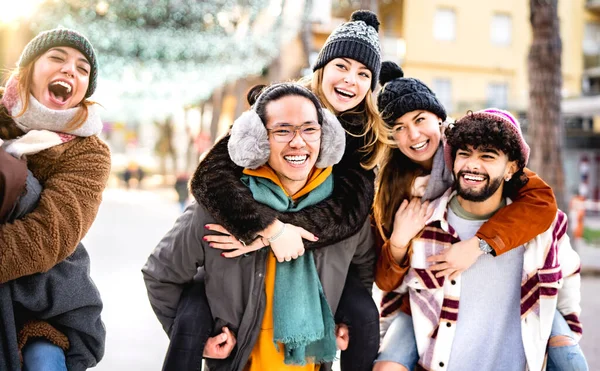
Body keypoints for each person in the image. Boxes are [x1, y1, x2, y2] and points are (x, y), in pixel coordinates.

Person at [163, 10, 385, 371]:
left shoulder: (362, 140)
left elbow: (347, 214)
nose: (350, 80)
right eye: (342, 66)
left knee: (362, 313)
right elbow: (210, 177)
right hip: (244, 275)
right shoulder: (276, 106)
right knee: (195, 310)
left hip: (312, 268)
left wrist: (268, 234)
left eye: (363, 74)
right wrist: (264, 226)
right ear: (322, 68)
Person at [372, 62, 587, 371]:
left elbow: (542, 203)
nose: (413, 135)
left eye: (420, 120)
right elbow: (387, 281)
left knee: (568, 357)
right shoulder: (393, 187)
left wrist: (477, 245)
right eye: (399, 128)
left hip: (508, 278)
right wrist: (399, 241)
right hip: (426, 294)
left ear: (440, 119)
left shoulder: (473, 143)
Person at [0, 28, 110, 370]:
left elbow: (51, 235)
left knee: (43, 360)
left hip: (42, 297)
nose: (70, 71)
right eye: (57, 59)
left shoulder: (88, 152)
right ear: (30, 68)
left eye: (82, 69)